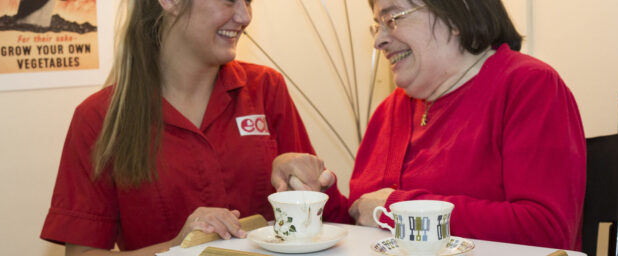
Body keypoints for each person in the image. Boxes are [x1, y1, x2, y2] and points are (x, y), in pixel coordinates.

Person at [271, 0, 586, 251]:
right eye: (376, 25)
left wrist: (398, 210)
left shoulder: (529, 86)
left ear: (456, 13)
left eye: (392, 18)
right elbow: (364, 224)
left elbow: (546, 232)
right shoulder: (388, 111)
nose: (379, 40)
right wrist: (316, 198)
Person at [40, 0, 317, 254]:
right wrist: (177, 249)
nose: (244, 17)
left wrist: (317, 189)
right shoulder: (99, 119)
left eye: (248, 2)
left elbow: (326, 218)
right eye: (230, 0)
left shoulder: (266, 90)